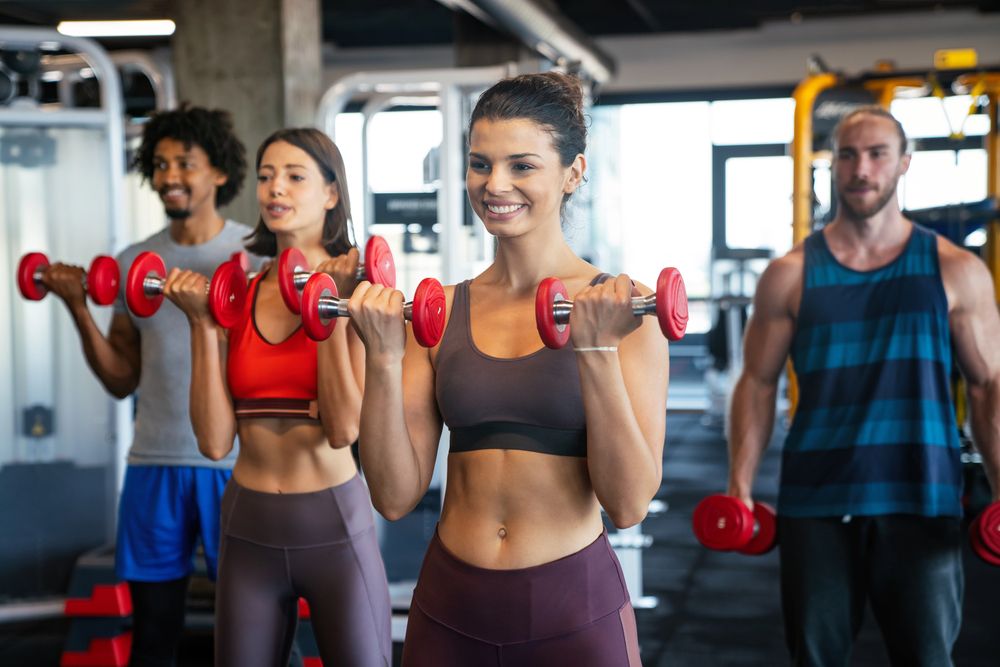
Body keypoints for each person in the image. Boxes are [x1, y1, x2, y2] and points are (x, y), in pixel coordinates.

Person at [349, 72, 667, 666]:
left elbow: (627, 506)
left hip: (571, 610)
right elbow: (393, 497)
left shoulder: (626, 309)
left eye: (522, 166)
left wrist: (595, 350)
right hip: (450, 607)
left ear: (573, 171)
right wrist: (384, 357)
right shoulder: (438, 311)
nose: (495, 184)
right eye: (479, 164)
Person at [727, 106, 1000, 666]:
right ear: (833, 164)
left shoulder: (956, 270)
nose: (862, 168)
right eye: (848, 154)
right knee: (815, 659)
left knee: (927, 659)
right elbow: (757, 382)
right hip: (817, 500)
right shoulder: (791, 273)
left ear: (903, 164)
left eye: (877, 154)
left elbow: (989, 387)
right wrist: (739, 488)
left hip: (921, 496)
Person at [163, 127, 391, 667]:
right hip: (246, 524)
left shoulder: (361, 290)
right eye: (266, 177)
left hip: (333, 523)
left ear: (331, 193)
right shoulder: (237, 291)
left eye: (294, 176)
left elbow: (343, 430)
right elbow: (215, 443)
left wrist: (329, 310)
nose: (274, 190)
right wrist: (202, 326)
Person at [40, 105, 252, 667]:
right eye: (159, 165)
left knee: (248, 634)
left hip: (234, 465)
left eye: (185, 162)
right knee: (154, 633)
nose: (169, 176)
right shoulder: (135, 262)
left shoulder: (254, 259)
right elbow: (120, 380)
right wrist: (79, 308)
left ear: (220, 174)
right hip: (153, 462)